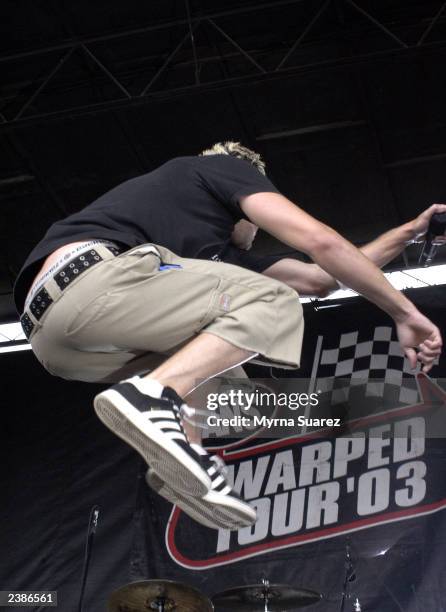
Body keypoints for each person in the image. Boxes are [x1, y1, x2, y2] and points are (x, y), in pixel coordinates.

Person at [14, 142, 443, 531]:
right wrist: (403, 313)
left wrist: (408, 233)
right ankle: (153, 398)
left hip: (56, 341)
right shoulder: (222, 169)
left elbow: (319, 280)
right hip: (93, 279)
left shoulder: (208, 259)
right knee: (273, 302)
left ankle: (183, 456)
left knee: (235, 393)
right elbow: (320, 243)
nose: (255, 234)